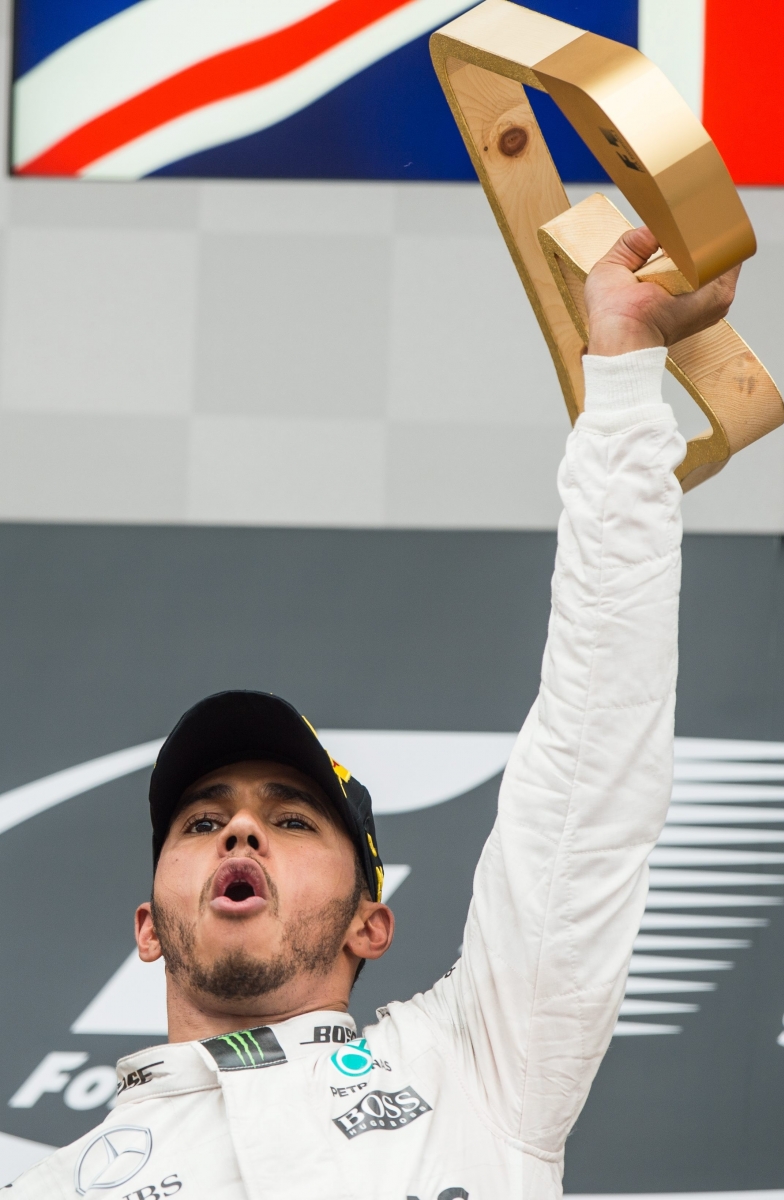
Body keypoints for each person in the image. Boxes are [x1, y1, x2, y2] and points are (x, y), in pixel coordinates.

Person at [7, 228, 737, 1200]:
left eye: (294, 819)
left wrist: (622, 379)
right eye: (200, 820)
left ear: (370, 924)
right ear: (147, 926)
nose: (238, 828)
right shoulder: (48, 1189)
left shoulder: (477, 1065)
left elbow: (590, 758)